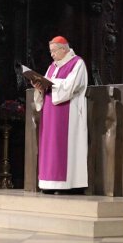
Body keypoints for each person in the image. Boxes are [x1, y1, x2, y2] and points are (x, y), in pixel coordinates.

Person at [32, 36, 88, 193]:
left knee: (62, 146)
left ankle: (67, 185)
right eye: (51, 51)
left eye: (54, 51)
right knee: (49, 146)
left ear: (64, 49)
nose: (52, 55)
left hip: (68, 112)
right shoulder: (52, 67)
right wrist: (39, 85)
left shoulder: (77, 63)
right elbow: (46, 85)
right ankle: (48, 183)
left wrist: (51, 84)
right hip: (50, 113)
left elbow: (71, 87)